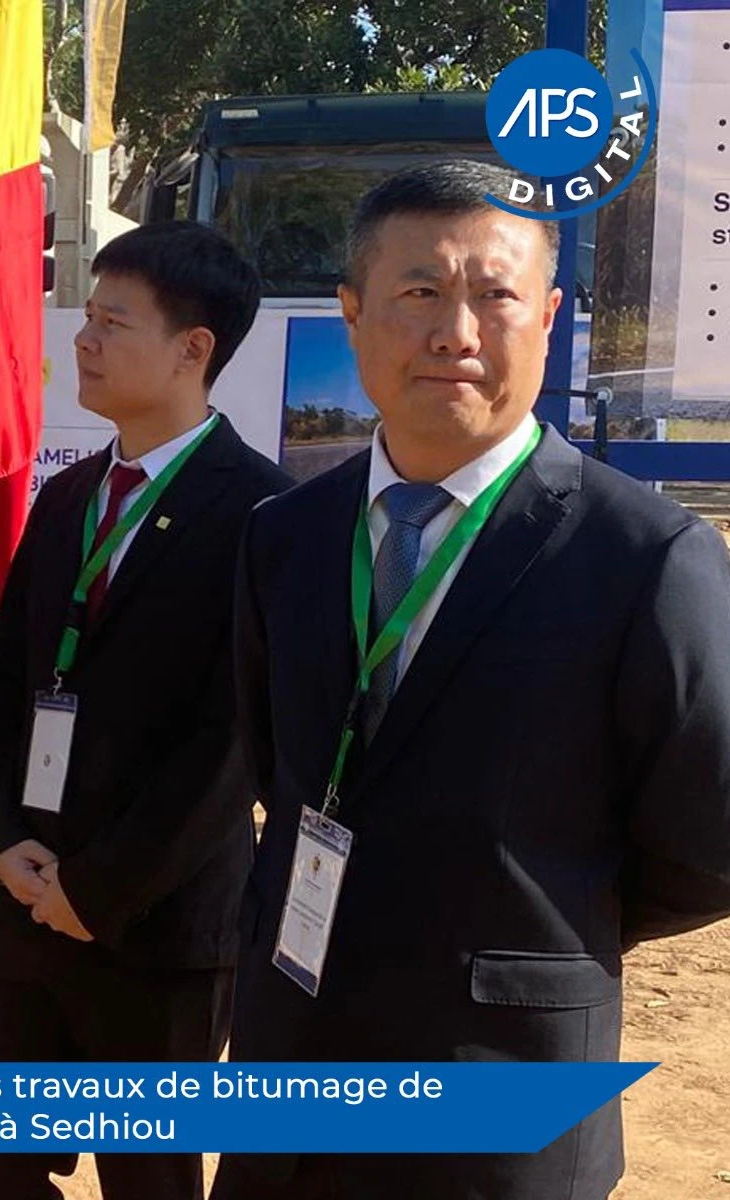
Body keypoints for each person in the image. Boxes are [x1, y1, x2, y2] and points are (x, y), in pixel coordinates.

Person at [212, 160, 730, 1200]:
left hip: (496, 1106)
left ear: (545, 316)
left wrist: (535, 914)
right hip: (290, 1082)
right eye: (417, 292)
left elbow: (709, 844)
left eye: (493, 294)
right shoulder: (282, 537)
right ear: (352, 316)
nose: (455, 330)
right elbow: (284, 765)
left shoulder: (644, 556)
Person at [0, 221, 293, 1200]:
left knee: (147, 1176)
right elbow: (5, 678)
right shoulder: (65, 497)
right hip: (23, 902)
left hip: (157, 927)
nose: (84, 342)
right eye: (85, 319)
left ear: (195, 349)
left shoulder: (261, 515)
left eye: (113, 323)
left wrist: (99, 889)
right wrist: (0, 839)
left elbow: (231, 740)